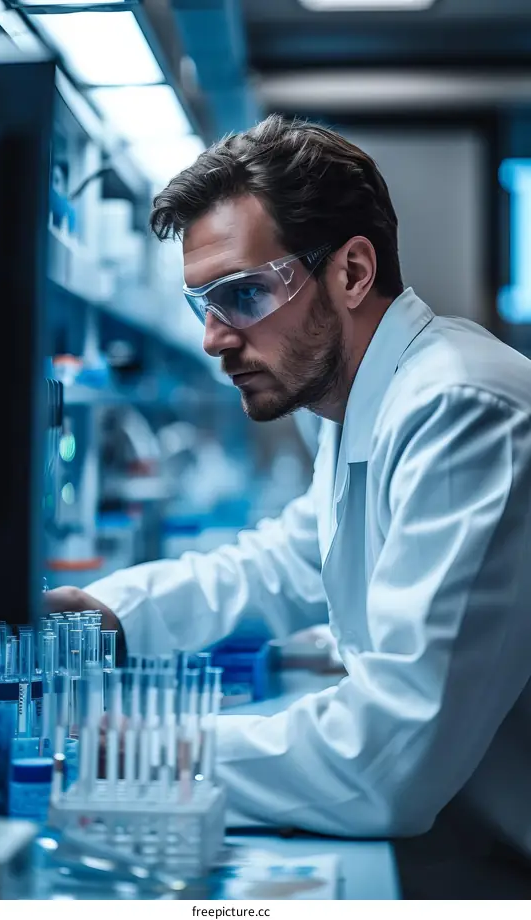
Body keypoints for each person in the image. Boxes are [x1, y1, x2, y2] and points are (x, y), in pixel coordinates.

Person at [47, 116, 531, 896]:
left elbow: (390, 758)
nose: (213, 339)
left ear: (352, 272)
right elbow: (285, 562)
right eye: (202, 303)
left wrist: (149, 752)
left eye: (241, 295)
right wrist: (109, 613)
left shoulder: (461, 406)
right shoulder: (359, 404)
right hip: (461, 842)